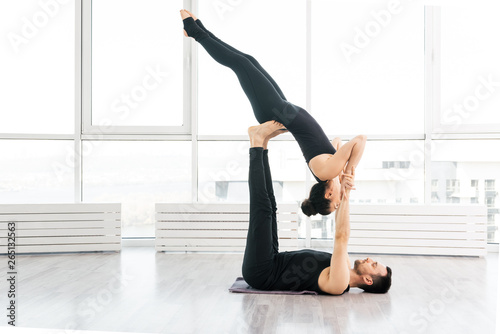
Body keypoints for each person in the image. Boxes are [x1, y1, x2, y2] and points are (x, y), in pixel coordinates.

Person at [180, 9, 367, 216]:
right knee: (248, 61)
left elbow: (359, 140)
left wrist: (349, 171)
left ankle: (195, 32)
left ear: (328, 195)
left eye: (336, 204)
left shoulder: (327, 172)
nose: (341, 199)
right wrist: (343, 173)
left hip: (276, 112)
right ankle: (201, 31)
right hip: (283, 108)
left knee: (241, 65)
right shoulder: (329, 171)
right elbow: (338, 141)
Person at [241, 120, 391, 294]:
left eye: (373, 265)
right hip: (273, 260)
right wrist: (341, 189)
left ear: (368, 280)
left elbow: (341, 236)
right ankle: (263, 144)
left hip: (262, 272)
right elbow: (341, 233)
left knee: (263, 209)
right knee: (270, 207)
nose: (369, 259)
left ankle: (256, 143)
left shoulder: (339, 284)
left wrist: (345, 194)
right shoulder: (345, 264)